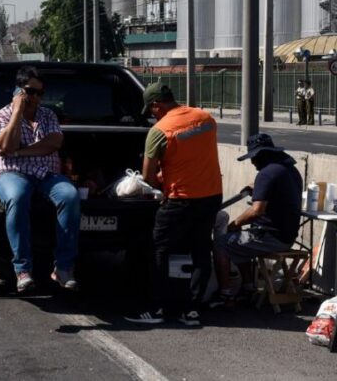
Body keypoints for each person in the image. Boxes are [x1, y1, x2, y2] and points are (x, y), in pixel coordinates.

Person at [127, 82, 223, 326]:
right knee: (201, 250)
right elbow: (195, 156)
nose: (151, 115)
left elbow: (148, 176)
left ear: (157, 105)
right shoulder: (206, 119)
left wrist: (160, 179)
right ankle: (191, 310)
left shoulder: (159, 131)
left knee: (160, 250)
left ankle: (158, 308)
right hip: (211, 196)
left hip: (180, 200)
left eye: (150, 110)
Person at [0, 66, 80, 293]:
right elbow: (6, 144)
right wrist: (17, 114)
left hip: (46, 175)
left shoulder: (48, 115)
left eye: (40, 93)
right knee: (17, 197)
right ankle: (23, 269)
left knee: (70, 196)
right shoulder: (2, 115)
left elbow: (54, 143)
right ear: (19, 91)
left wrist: (19, 152)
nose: (36, 98)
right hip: (12, 174)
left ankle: (63, 268)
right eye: (31, 92)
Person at [212, 133, 303, 306]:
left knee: (221, 243)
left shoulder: (266, 174)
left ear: (261, 155)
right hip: (287, 236)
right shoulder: (289, 169)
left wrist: (235, 223)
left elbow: (256, 211)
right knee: (239, 240)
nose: (252, 162)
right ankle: (247, 288)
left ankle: (225, 295)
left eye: (253, 158)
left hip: (269, 237)